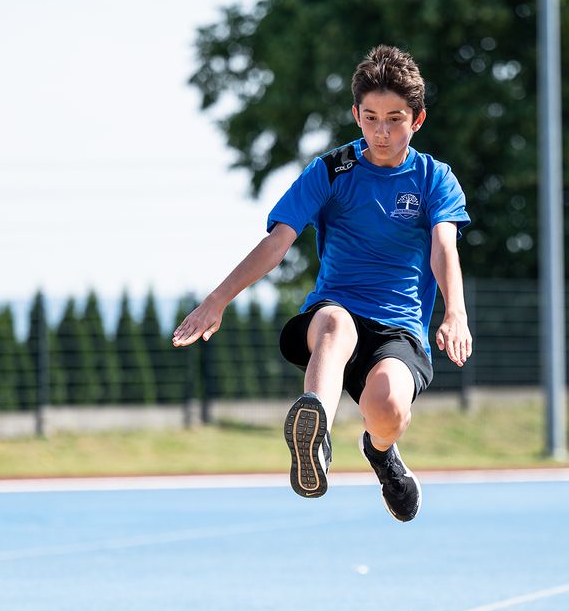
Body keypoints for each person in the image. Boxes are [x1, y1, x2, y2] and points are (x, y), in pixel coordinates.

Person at [173, 45, 472, 522]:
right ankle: (316, 436)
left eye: (394, 119)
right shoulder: (331, 171)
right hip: (336, 316)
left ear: (417, 120)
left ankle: (381, 454)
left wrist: (454, 312)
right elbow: (276, 244)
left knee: (388, 406)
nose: (381, 130)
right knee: (334, 321)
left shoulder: (435, 179)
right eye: (370, 117)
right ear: (356, 115)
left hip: (398, 331)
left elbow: (443, 248)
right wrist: (217, 299)